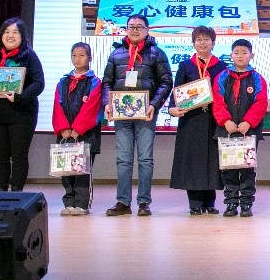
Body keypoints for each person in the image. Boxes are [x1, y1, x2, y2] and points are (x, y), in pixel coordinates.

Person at [102, 14, 173, 216]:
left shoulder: (157, 53)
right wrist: (107, 103)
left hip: (145, 114)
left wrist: (154, 105)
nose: (134, 30)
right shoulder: (116, 54)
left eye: (139, 27)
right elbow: (106, 82)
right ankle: (123, 202)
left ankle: (144, 203)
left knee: (145, 159)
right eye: (131, 26)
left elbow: (166, 82)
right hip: (121, 114)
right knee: (123, 160)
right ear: (126, 29)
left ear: (147, 30)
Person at [0, 17, 45, 192]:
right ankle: (0, 193)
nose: (10, 35)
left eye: (15, 32)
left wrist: (20, 97)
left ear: (22, 36)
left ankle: (16, 194)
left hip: (22, 114)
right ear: (1, 35)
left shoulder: (29, 56)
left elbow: (39, 83)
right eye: (6, 32)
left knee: (19, 156)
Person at [169, 27, 226, 215]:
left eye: (206, 39)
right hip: (191, 120)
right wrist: (172, 108)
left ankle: (210, 202)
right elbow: (177, 91)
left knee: (212, 160)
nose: (203, 43)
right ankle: (194, 202)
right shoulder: (186, 66)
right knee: (192, 160)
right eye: (199, 39)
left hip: (213, 119)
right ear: (193, 43)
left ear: (213, 42)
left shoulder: (221, 66)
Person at [212, 39, 268, 217]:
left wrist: (248, 122)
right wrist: (225, 121)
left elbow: (261, 103)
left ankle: (246, 204)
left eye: (244, 52)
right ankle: (230, 203)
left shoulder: (257, 78)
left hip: (248, 132)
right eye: (236, 53)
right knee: (228, 169)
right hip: (226, 130)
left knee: (247, 169)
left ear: (252, 55)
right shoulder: (222, 77)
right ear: (231, 55)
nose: (240, 56)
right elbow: (217, 101)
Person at [53, 42, 104, 215]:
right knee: (66, 171)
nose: (77, 59)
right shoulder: (63, 82)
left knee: (82, 171)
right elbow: (57, 106)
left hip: (86, 134)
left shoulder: (95, 82)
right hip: (65, 134)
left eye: (82, 55)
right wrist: (63, 128)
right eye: (74, 55)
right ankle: (69, 202)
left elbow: (92, 108)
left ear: (89, 58)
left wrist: (77, 129)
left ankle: (82, 204)